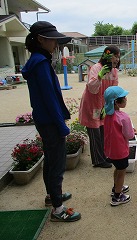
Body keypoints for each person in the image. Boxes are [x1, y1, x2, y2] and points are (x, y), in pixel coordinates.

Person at [22, 21, 81, 222]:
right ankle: (58, 209)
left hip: (44, 120)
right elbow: (50, 98)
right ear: (41, 39)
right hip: (50, 121)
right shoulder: (41, 63)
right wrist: (61, 125)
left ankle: (52, 196)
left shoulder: (38, 60)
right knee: (56, 164)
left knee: (51, 160)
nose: (56, 43)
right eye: (52, 39)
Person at [79, 45, 121, 168]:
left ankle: (105, 156)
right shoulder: (96, 68)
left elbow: (114, 90)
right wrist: (99, 76)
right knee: (95, 132)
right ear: (107, 56)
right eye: (115, 56)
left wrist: (110, 106)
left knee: (104, 131)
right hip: (92, 105)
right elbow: (92, 88)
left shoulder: (114, 72)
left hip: (103, 105)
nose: (117, 59)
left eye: (118, 57)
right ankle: (98, 160)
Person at [103, 86, 137, 206]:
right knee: (122, 172)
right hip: (120, 151)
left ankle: (116, 187)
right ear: (117, 102)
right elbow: (129, 135)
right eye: (124, 98)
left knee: (117, 169)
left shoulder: (108, 115)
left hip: (111, 150)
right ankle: (117, 197)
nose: (126, 99)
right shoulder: (124, 117)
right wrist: (133, 132)